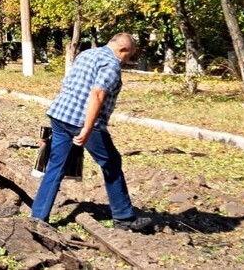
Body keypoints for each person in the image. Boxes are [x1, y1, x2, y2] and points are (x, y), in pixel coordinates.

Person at [31, 32, 154, 233]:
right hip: (82, 121)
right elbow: (97, 94)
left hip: (60, 114)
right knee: (111, 163)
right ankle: (123, 217)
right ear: (122, 49)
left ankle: (38, 217)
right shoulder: (111, 64)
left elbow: (69, 81)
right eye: (129, 55)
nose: (127, 60)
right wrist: (87, 128)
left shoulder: (87, 54)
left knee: (55, 167)